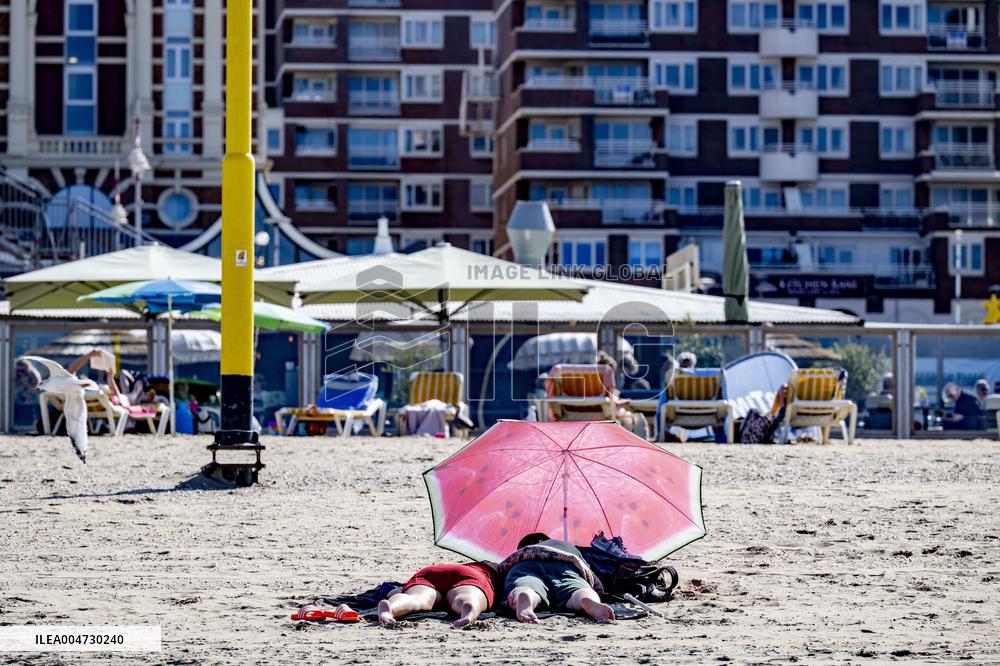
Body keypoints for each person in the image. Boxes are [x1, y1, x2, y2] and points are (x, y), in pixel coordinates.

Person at [503, 533, 616, 624]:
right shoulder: (566, 546)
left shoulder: (520, 553)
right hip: (565, 565)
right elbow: (596, 584)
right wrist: (595, 591)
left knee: (526, 584)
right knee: (577, 589)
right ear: (541, 541)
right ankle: (585, 600)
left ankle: (525, 595)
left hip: (525, 565)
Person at [377, 561, 499, 628]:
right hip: (473, 575)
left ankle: (391, 608)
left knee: (417, 598)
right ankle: (468, 610)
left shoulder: (480, 563)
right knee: (466, 596)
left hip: (434, 571)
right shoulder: (498, 567)